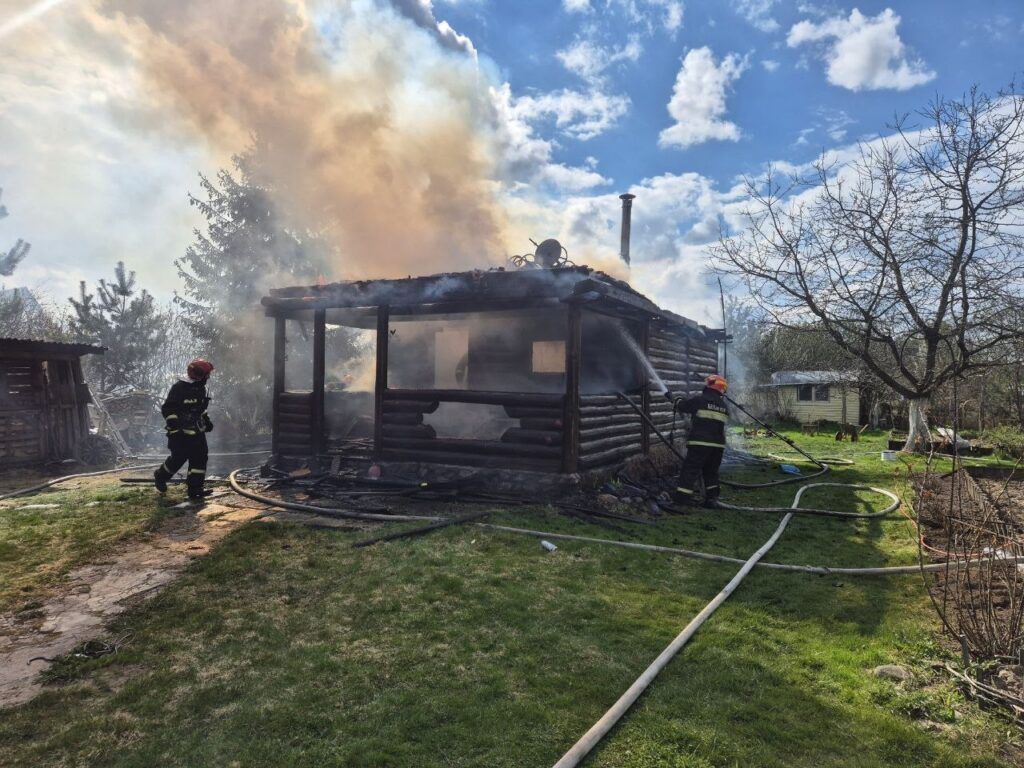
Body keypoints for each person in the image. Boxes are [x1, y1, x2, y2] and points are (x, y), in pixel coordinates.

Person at [154, 359, 215, 501]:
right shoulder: (179, 388)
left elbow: (200, 409)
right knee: (178, 459)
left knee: (199, 460)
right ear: (199, 374)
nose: (208, 378)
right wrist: (174, 427)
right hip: (180, 434)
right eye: (207, 374)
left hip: (197, 433)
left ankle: (195, 490)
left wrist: (207, 421)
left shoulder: (200, 388)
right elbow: (168, 408)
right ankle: (160, 476)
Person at [670, 374, 729, 507]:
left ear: (710, 386)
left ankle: (681, 499)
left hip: (700, 444)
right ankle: (712, 499)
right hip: (718, 446)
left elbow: (683, 406)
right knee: (711, 472)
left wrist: (676, 399)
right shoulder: (724, 406)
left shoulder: (700, 400)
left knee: (690, 470)